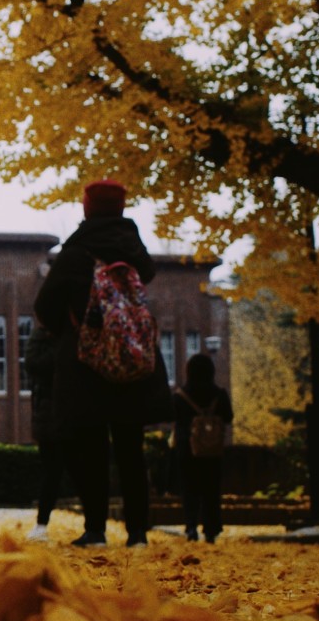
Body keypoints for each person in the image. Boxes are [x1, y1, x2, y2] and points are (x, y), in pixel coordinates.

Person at [33, 178, 167, 547]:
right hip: (131, 360)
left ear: (87, 208)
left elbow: (45, 307)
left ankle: (95, 530)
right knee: (130, 448)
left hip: (86, 364)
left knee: (90, 447)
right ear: (122, 209)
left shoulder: (77, 253)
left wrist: (71, 328)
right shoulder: (135, 253)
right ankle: (137, 532)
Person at [170, 352, 234, 542]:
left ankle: (191, 526)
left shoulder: (181, 396)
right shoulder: (219, 395)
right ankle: (211, 528)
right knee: (211, 489)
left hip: (187, 449)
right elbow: (229, 417)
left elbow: (174, 417)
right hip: (212, 451)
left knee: (190, 488)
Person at [26, 321, 70, 542]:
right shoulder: (43, 335)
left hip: (71, 409)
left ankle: (95, 526)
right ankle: (42, 523)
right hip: (50, 412)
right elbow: (33, 363)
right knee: (52, 470)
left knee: (83, 469)